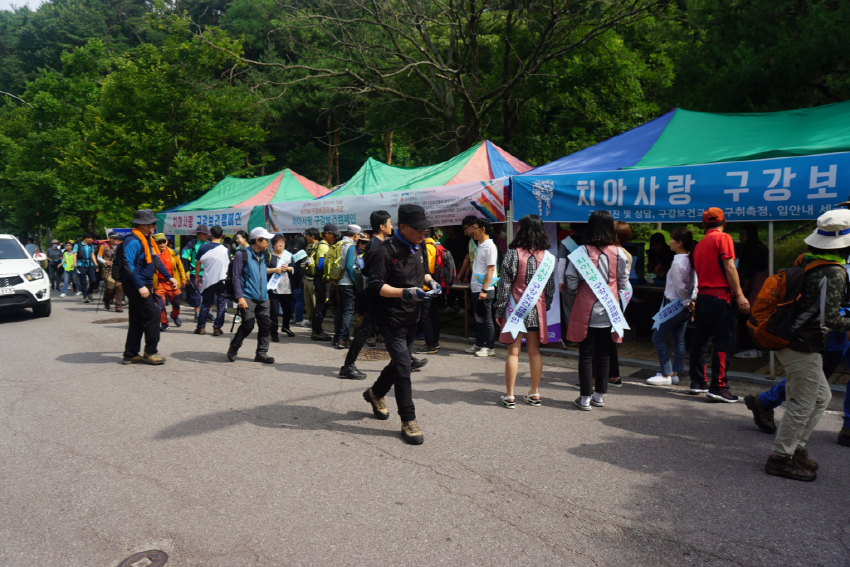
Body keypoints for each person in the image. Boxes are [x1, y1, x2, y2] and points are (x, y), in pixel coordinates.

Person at [756, 210, 850, 481]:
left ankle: (796, 449)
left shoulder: (808, 260)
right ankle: (779, 458)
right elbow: (830, 318)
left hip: (793, 340)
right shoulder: (834, 271)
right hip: (801, 344)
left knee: (821, 398)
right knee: (802, 403)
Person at [362, 204, 442, 445]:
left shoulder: (419, 245)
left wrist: (431, 281)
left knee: (399, 363)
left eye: (425, 229)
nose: (423, 233)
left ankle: (375, 393)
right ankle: (408, 419)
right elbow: (375, 285)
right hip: (391, 319)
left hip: (412, 317)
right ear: (403, 227)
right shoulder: (385, 251)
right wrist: (404, 292)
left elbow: (422, 272)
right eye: (419, 229)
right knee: (405, 368)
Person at [564, 210, 630, 411]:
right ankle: (599, 395)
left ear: (590, 227)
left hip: (586, 309)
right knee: (603, 353)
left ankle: (585, 398)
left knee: (586, 354)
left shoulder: (582, 252)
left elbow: (571, 283)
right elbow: (623, 283)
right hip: (610, 310)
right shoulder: (619, 253)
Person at [688, 208, 750, 402]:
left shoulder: (699, 245)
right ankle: (718, 387)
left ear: (704, 225)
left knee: (700, 341)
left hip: (703, 297)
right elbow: (729, 266)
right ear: (724, 223)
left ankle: (698, 382)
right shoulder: (724, 238)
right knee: (723, 342)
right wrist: (740, 295)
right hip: (721, 297)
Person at [494, 214, 556, 408]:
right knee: (534, 352)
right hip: (536, 310)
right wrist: (545, 306)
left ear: (524, 230)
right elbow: (550, 288)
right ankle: (535, 393)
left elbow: (504, 285)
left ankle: (509, 395)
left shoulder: (512, 254)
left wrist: (499, 309)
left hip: (514, 308)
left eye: (520, 227)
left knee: (513, 353)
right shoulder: (547, 257)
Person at [341, 211, 392, 380]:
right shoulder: (375, 245)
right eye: (390, 223)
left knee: (390, 329)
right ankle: (347, 366)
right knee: (366, 330)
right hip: (375, 296)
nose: (392, 226)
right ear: (382, 226)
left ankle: (406, 360)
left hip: (378, 296)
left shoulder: (378, 243)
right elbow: (373, 274)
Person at [122, 210, 176, 365]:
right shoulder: (133, 240)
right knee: (153, 315)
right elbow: (128, 264)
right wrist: (140, 286)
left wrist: (169, 277)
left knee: (137, 318)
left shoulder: (148, 240)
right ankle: (150, 352)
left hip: (144, 283)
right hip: (136, 284)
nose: (154, 226)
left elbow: (155, 261)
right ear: (142, 225)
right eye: (152, 224)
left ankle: (131, 354)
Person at [647, 228, 698, 386]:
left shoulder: (678, 262)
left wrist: (686, 301)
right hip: (684, 305)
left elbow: (680, 287)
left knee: (658, 337)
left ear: (679, 243)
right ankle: (675, 373)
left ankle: (666, 373)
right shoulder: (690, 259)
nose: (669, 242)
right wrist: (690, 302)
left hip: (675, 303)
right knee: (678, 340)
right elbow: (694, 284)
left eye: (672, 239)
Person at [227, 227, 275, 363]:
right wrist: (240, 298)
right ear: (258, 240)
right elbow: (235, 277)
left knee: (266, 326)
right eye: (266, 240)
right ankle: (234, 347)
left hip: (264, 297)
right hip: (247, 296)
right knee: (248, 325)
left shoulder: (265, 255)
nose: (268, 243)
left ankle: (261, 353)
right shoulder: (241, 254)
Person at [734, 223, 770, 358]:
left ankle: (751, 347)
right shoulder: (757, 247)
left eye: (743, 234)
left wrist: (742, 292)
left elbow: (749, 273)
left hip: (759, 288)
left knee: (748, 315)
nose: (740, 237)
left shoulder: (754, 250)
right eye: (740, 234)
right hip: (760, 287)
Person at [467, 217, 498, 357]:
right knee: (479, 318)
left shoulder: (490, 246)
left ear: (483, 229)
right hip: (476, 288)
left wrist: (484, 290)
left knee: (486, 319)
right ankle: (479, 344)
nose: (472, 231)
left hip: (484, 289)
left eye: (474, 228)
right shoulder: (481, 245)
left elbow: (491, 269)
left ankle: (490, 347)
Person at [193, 225, 230, 336]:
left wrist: (196, 277)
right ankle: (217, 328)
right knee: (221, 305)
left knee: (205, 304)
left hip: (208, 280)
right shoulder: (225, 250)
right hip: (222, 280)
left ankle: (201, 327)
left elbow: (198, 263)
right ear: (222, 235)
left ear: (211, 234)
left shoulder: (203, 248)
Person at [333, 224, 361, 349]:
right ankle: (343, 339)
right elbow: (350, 266)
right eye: (359, 235)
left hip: (338, 282)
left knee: (340, 310)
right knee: (348, 311)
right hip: (347, 283)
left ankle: (336, 337)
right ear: (355, 235)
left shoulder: (339, 243)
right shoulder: (350, 246)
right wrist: (356, 282)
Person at [416, 228, 444, 355]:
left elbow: (425, 269)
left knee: (425, 316)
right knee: (434, 315)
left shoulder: (425, 248)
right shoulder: (437, 246)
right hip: (436, 285)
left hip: (426, 286)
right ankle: (435, 342)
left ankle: (430, 344)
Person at [153, 234, 187, 331]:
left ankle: (175, 316)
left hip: (173, 282)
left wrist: (183, 279)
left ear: (166, 242)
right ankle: (164, 323)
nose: (162, 244)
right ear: (155, 243)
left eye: (163, 241)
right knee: (160, 305)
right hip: (159, 283)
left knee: (177, 302)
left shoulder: (173, 253)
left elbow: (180, 266)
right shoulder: (152, 254)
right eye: (159, 242)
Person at [310, 224, 337, 341]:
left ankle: (317, 330)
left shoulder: (322, 244)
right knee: (321, 306)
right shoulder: (324, 246)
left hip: (321, 279)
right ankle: (317, 332)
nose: (335, 237)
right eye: (334, 235)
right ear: (327, 234)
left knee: (321, 305)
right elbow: (321, 265)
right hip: (321, 279)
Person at [268, 233, 295, 342]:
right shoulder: (269, 256)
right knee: (274, 312)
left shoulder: (288, 255)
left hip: (286, 287)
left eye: (283, 243)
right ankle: (274, 333)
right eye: (279, 243)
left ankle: (286, 327)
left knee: (287, 309)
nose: (281, 245)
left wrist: (288, 269)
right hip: (273, 288)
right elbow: (263, 270)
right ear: (273, 245)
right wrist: (274, 270)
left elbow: (294, 269)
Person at [181, 225, 210, 323]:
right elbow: (185, 258)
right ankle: (197, 313)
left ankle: (208, 313)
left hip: (207, 273)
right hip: (195, 273)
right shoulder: (191, 244)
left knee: (208, 295)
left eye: (206, 234)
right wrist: (186, 271)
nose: (205, 235)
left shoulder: (209, 244)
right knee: (196, 295)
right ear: (197, 234)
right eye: (203, 234)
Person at [98, 232, 125, 312]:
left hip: (118, 269)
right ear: (109, 238)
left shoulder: (121, 245)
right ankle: (106, 300)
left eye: (117, 238)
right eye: (114, 238)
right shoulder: (104, 246)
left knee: (119, 287)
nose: (116, 240)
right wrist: (105, 261)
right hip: (108, 270)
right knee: (110, 288)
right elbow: (98, 257)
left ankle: (118, 306)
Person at [302, 228, 322, 328]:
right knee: (308, 302)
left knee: (315, 303)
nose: (306, 237)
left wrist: (317, 281)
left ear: (312, 236)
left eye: (307, 235)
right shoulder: (308, 247)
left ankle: (317, 323)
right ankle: (310, 320)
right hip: (307, 278)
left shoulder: (320, 247)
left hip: (314, 279)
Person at [73, 234, 98, 303]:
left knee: (93, 280)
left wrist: (96, 264)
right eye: (90, 239)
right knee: (83, 281)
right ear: (86, 238)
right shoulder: (78, 245)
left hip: (90, 264)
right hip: (81, 264)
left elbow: (92, 254)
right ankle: (85, 296)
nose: (91, 240)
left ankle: (90, 292)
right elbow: (74, 255)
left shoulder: (91, 245)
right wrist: (75, 265)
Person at [289, 235, 308, 326]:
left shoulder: (289, 251)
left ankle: (290, 318)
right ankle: (299, 319)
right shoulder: (302, 253)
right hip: (299, 278)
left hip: (290, 277)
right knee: (300, 300)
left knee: (292, 299)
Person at [456, 215, 478, 284]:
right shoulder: (470, 240)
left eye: (465, 228)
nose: (465, 231)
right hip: (476, 277)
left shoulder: (485, 239)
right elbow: (469, 258)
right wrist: (465, 275)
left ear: (472, 226)